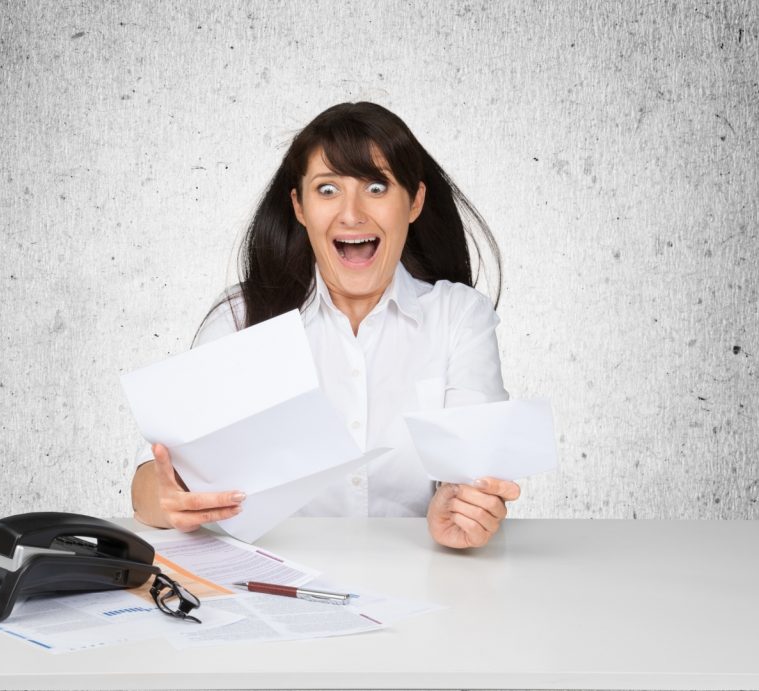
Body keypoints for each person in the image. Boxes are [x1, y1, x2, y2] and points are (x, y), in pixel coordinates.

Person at [131, 102, 521, 549]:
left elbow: (472, 473)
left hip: (422, 580)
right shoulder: (241, 318)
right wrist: (166, 500)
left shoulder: (459, 318)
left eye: (376, 187)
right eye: (328, 189)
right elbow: (151, 482)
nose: (351, 214)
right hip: (274, 587)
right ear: (299, 206)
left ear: (414, 201)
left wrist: (462, 507)